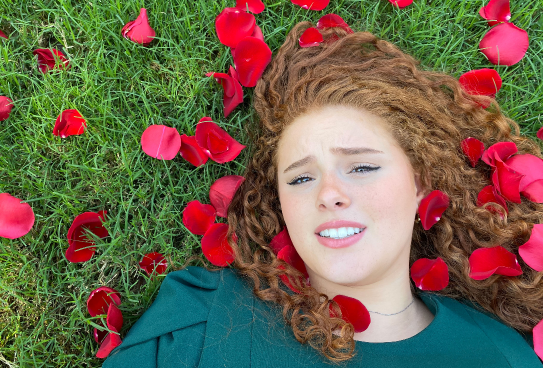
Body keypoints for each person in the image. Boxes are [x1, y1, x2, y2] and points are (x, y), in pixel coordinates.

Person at [103, 22, 543, 367]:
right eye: (300, 178)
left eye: (363, 166)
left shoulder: (500, 358)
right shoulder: (200, 318)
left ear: (421, 184)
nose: (329, 194)